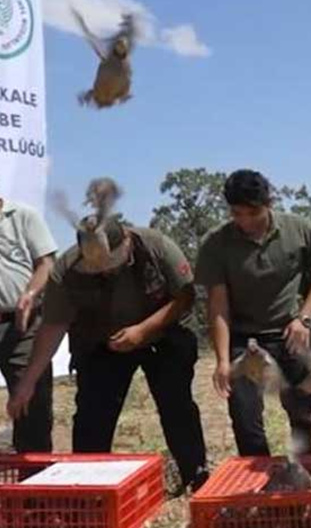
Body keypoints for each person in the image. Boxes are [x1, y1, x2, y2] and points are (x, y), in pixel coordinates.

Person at [6, 201, 208, 489]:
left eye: (110, 262)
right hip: (101, 344)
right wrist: (28, 382)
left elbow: (185, 296)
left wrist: (142, 331)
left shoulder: (156, 246)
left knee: (176, 406)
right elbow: (53, 328)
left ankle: (195, 476)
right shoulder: (65, 271)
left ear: (125, 239)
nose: (104, 271)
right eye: (95, 266)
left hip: (162, 336)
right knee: (92, 416)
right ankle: (88, 488)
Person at [195, 169, 311, 457]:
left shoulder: (299, 229)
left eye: (252, 212)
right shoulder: (216, 243)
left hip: (290, 332)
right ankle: (258, 486)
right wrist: (221, 360)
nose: (245, 221)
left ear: (268, 202)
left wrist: (305, 319)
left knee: (305, 411)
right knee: (245, 417)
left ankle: (307, 479)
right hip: (244, 340)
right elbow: (217, 305)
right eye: (236, 213)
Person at [0, 191, 56, 452]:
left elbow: (46, 264)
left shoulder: (23, 216)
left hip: (21, 324)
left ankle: (33, 486)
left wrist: (30, 293)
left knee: (31, 404)